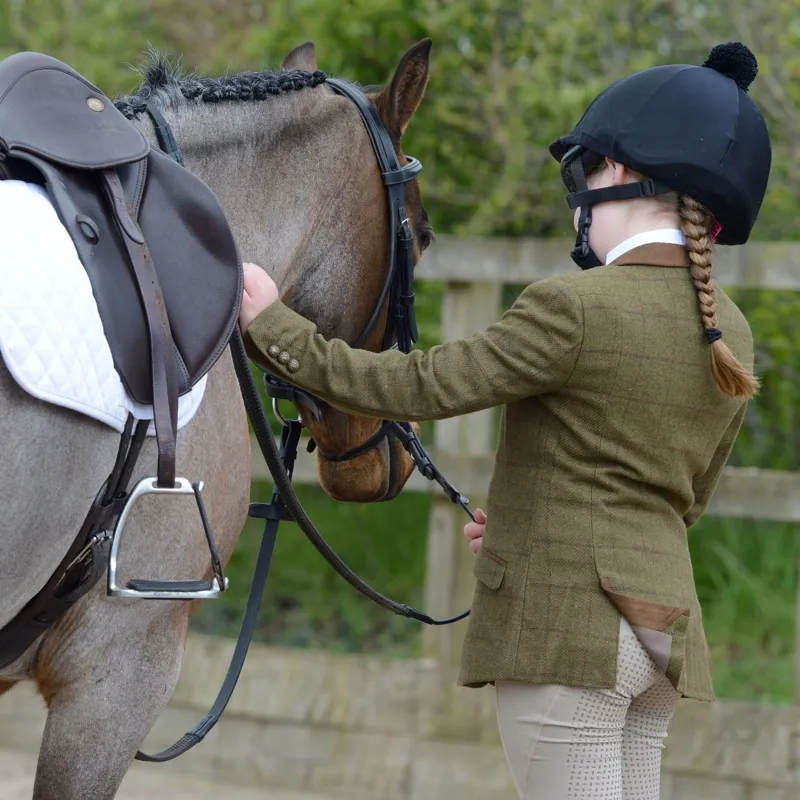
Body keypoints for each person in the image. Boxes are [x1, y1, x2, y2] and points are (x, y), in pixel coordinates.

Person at [237, 42, 771, 800]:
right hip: (661, 643)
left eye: (587, 172)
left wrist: (275, 327)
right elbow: (679, 498)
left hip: (567, 638)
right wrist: (527, 526)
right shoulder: (734, 332)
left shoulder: (574, 305)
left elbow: (419, 384)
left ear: (617, 172)